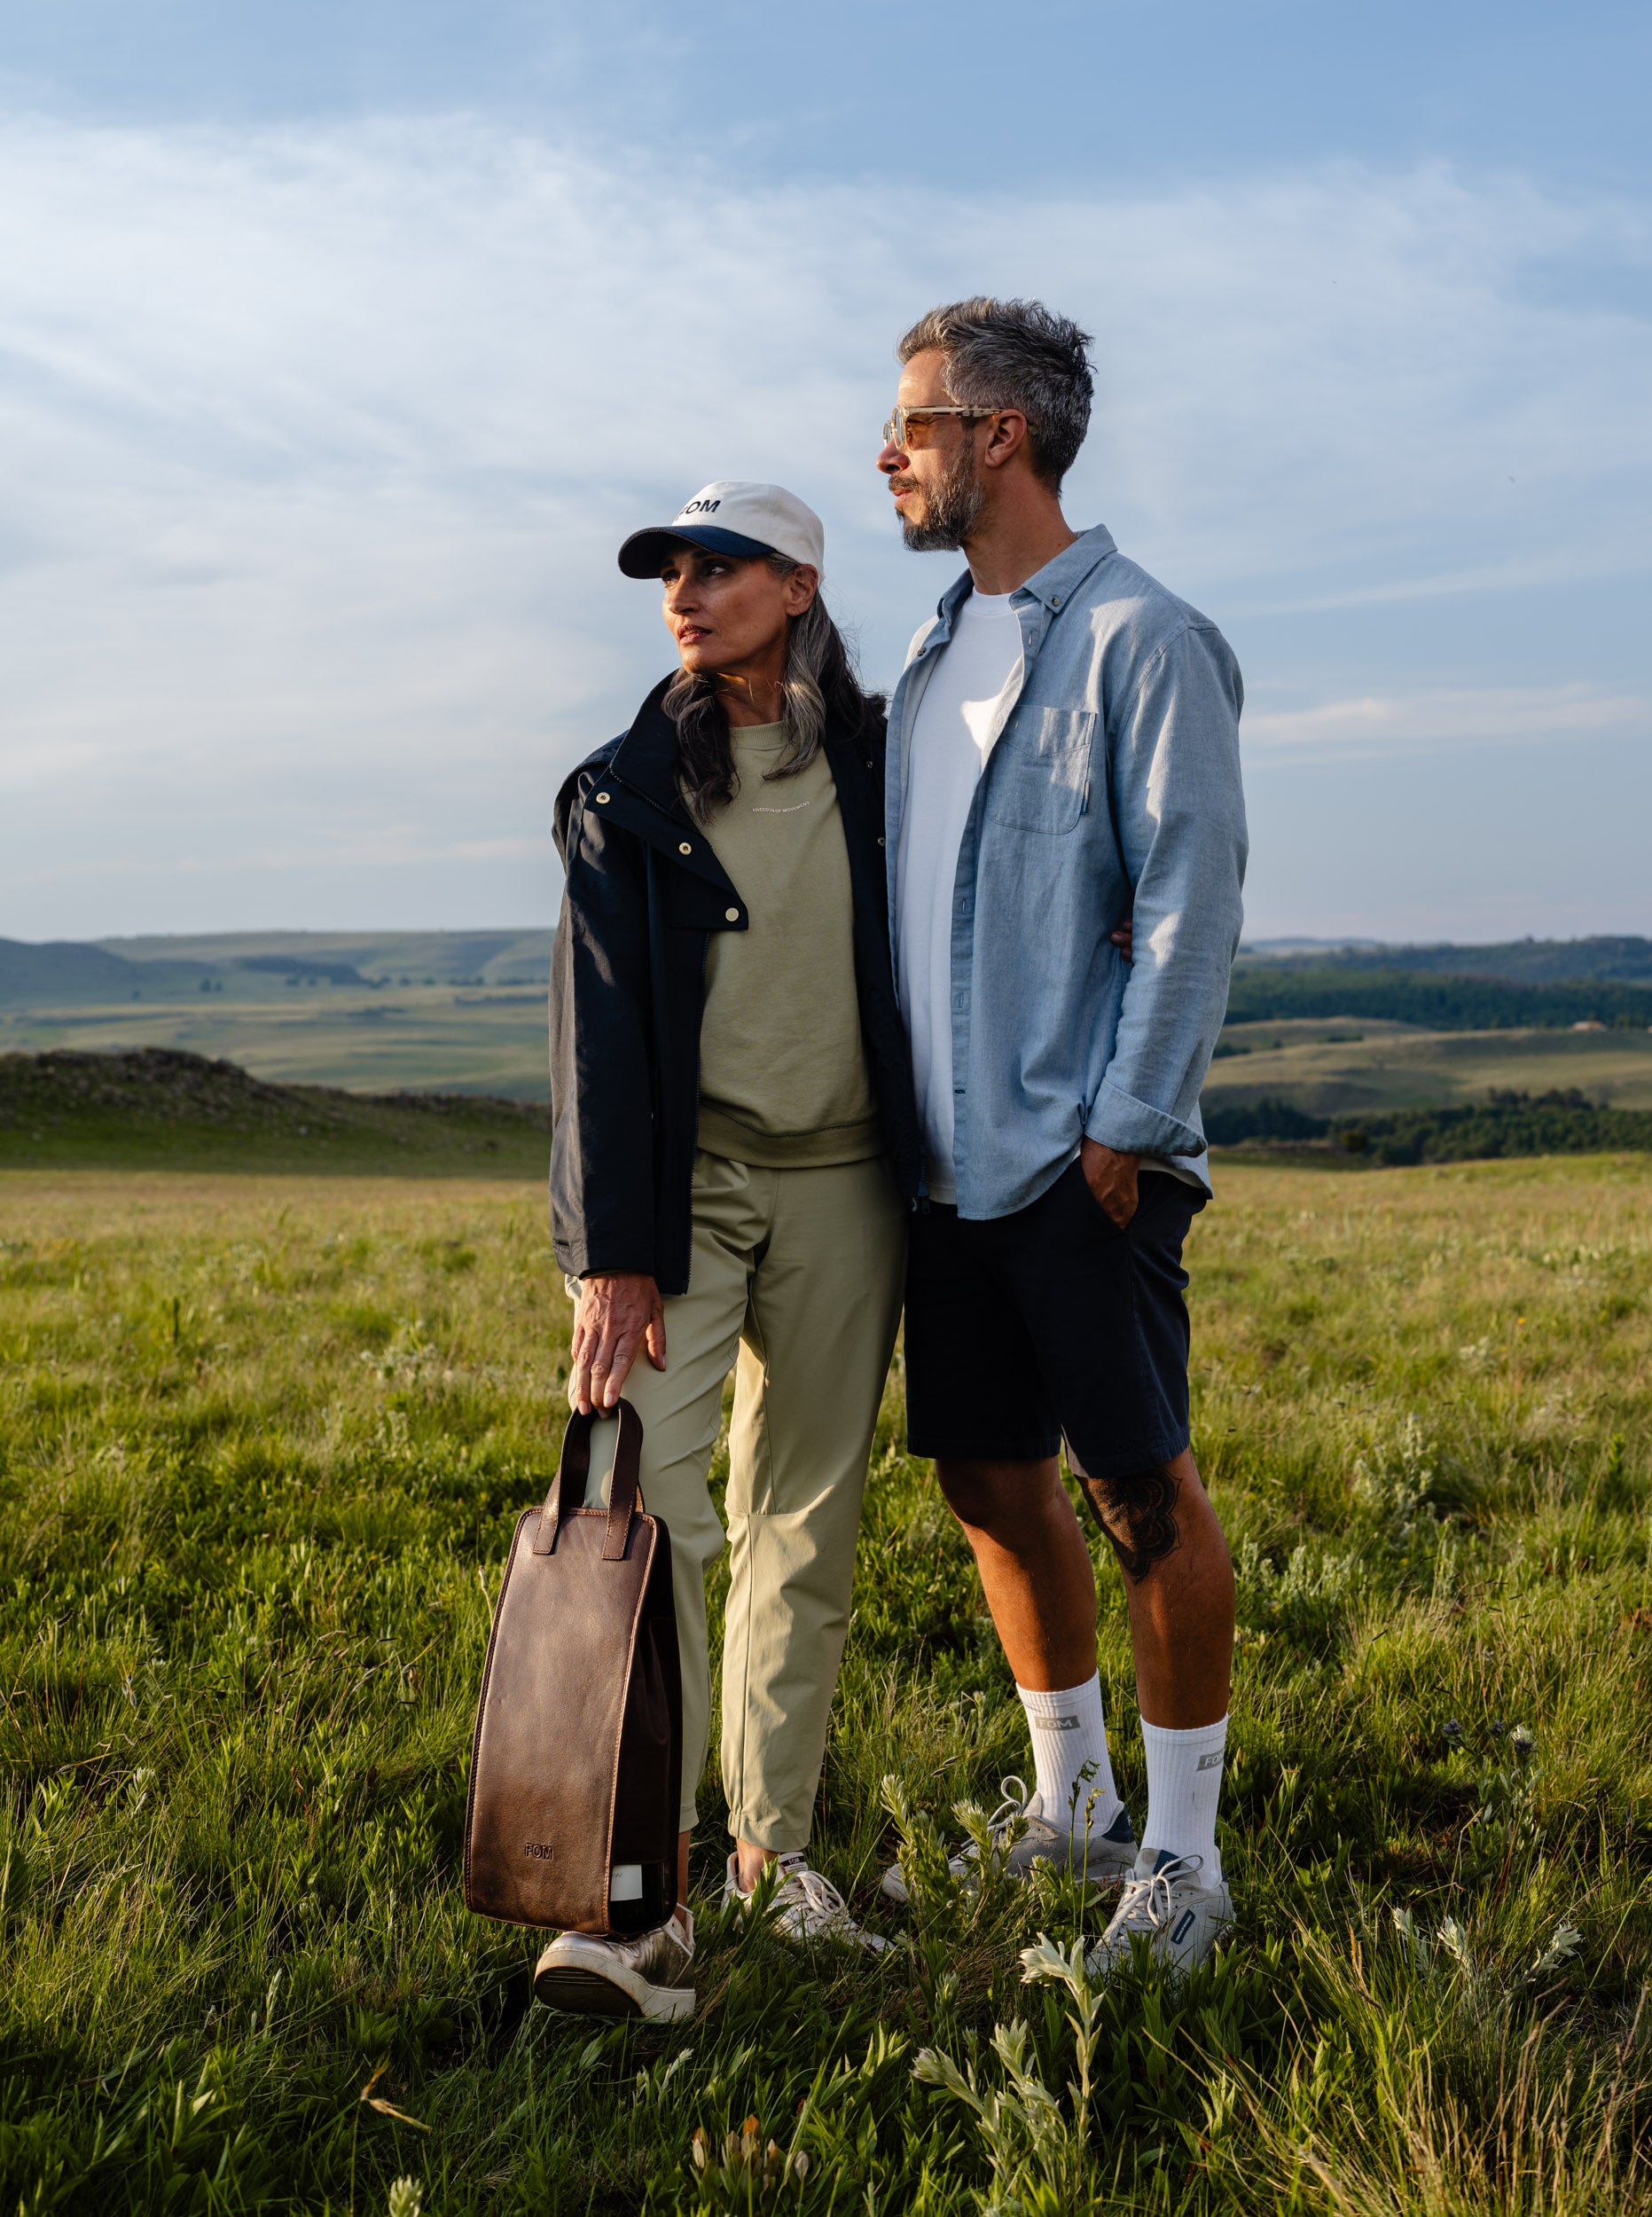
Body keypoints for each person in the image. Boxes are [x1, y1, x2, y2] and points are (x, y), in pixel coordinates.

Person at [875, 300, 1249, 1975]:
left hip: (1085, 1155)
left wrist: (1130, 1122)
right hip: (939, 1166)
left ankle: (1184, 1864)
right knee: (986, 1478)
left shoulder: (1145, 639)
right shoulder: (925, 656)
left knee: (1139, 1493)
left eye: (913, 424)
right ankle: (1074, 1807)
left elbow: (1190, 891)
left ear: (998, 435)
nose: (889, 454)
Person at [533, 482, 920, 2020]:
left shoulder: (890, 765)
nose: (685, 594)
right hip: (677, 1200)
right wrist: (612, 1255)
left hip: (848, 1186)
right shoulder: (622, 791)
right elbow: (595, 1038)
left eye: (720, 567)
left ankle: (776, 1853)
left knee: (803, 1526)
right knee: (644, 1510)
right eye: (671, 573)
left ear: (801, 583)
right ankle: (645, 1888)